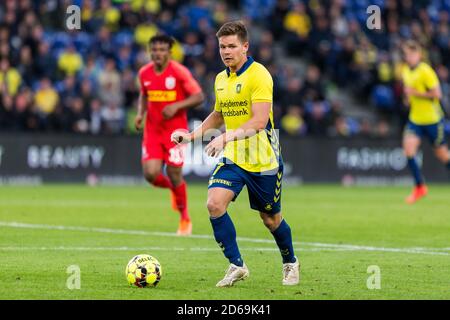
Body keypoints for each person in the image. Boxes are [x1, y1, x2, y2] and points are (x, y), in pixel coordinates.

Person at [171, 21, 299, 287]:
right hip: (234, 156)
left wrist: (226, 136)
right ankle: (236, 265)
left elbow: (259, 121)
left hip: (264, 160)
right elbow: (218, 115)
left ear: (245, 47)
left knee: (271, 219)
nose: (226, 51)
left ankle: (290, 262)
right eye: (222, 46)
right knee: (214, 204)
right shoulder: (220, 79)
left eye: (231, 46)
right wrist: (191, 135)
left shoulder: (259, 75)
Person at [135, 34, 205, 235]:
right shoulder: (144, 73)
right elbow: (144, 94)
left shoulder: (179, 72)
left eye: (162, 50)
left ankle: (185, 218)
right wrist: (140, 113)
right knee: (150, 174)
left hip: (176, 133)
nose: (157, 53)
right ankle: (176, 192)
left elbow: (199, 96)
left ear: (169, 52)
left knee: (175, 174)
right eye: (154, 50)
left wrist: (176, 106)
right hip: (153, 131)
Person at [401, 40, 450, 204]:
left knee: (442, 155)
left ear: (418, 55)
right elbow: (409, 95)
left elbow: (437, 95)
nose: (409, 57)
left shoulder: (426, 71)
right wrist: (408, 99)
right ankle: (420, 187)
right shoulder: (405, 71)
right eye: (407, 54)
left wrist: (415, 93)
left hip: (433, 120)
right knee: (408, 149)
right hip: (415, 119)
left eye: (412, 54)